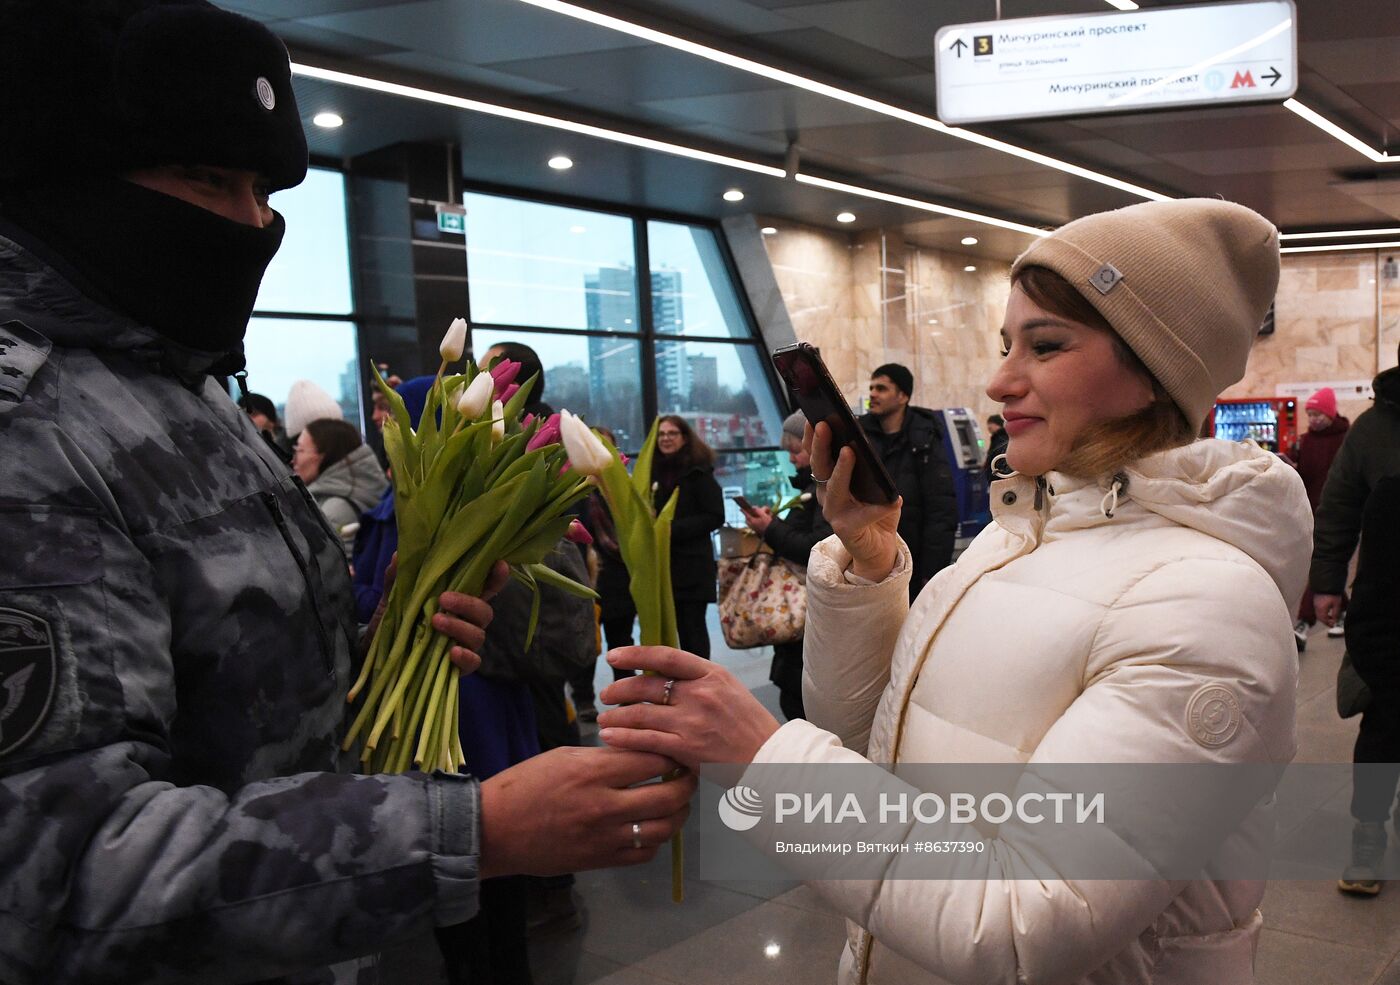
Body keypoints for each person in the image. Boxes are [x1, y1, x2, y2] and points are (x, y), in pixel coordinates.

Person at [0, 4, 691, 983]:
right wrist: (477, 827)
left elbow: (222, 700)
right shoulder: (30, 433)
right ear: (64, 179)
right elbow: (61, 880)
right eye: (207, 180)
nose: (251, 226)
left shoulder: (180, 390)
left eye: (261, 188)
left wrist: (382, 639)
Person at [597, 199, 1310, 983]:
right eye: (1007, 344)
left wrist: (765, 759)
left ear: (1152, 372)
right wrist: (869, 571)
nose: (1001, 379)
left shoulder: (1207, 605)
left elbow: (1018, 922)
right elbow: (873, 748)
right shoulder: (1010, 543)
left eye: (1045, 344)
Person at [742, 410, 831, 721]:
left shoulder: (824, 493)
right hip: (804, 626)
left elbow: (816, 548)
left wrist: (770, 528)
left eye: (797, 451)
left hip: (811, 616)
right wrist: (772, 524)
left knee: (801, 708)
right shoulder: (810, 492)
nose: (792, 460)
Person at [1310, 344, 1400, 637]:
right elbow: (1339, 510)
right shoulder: (1373, 429)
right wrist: (1327, 584)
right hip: (1386, 607)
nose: (1312, 419)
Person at [1339, 473, 1400, 895]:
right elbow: (1372, 592)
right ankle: (1369, 835)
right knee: (1382, 741)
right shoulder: (1391, 496)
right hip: (1392, 654)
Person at [858, 362, 957, 598]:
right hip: (868, 560)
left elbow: (941, 510)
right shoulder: (861, 435)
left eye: (881, 388)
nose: (873, 394)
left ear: (903, 396)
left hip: (913, 562)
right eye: (871, 388)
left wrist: (932, 573)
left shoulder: (925, 439)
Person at [654, 415, 725, 659]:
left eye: (671, 433)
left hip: (693, 568)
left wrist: (674, 529)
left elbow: (715, 515)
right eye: (661, 434)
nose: (665, 439)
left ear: (685, 438)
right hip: (666, 568)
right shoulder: (654, 473)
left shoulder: (699, 472)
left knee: (693, 632)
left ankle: (700, 684)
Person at [1287, 387, 1349, 650]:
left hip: (1340, 514)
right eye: (1309, 414)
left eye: (1317, 414)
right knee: (1322, 564)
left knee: (1318, 564)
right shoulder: (1304, 441)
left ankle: (1303, 621)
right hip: (1310, 513)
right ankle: (1343, 614)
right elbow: (1298, 475)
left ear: (1330, 412)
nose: (1313, 419)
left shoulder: (1347, 439)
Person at [293, 418, 387, 555]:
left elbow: (336, 570)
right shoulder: (340, 495)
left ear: (323, 456)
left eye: (299, 450)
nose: (293, 460)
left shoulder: (336, 509)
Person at [237, 390, 292, 460]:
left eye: (254, 414)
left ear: (269, 417)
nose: (248, 419)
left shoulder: (291, 447)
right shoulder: (243, 448)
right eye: (244, 415)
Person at [982, 412, 1008, 484]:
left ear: (995, 424)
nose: (989, 430)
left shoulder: (1000, 437)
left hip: (998, 477)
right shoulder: (1000, 436)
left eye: (990, 427)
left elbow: (997, 456)